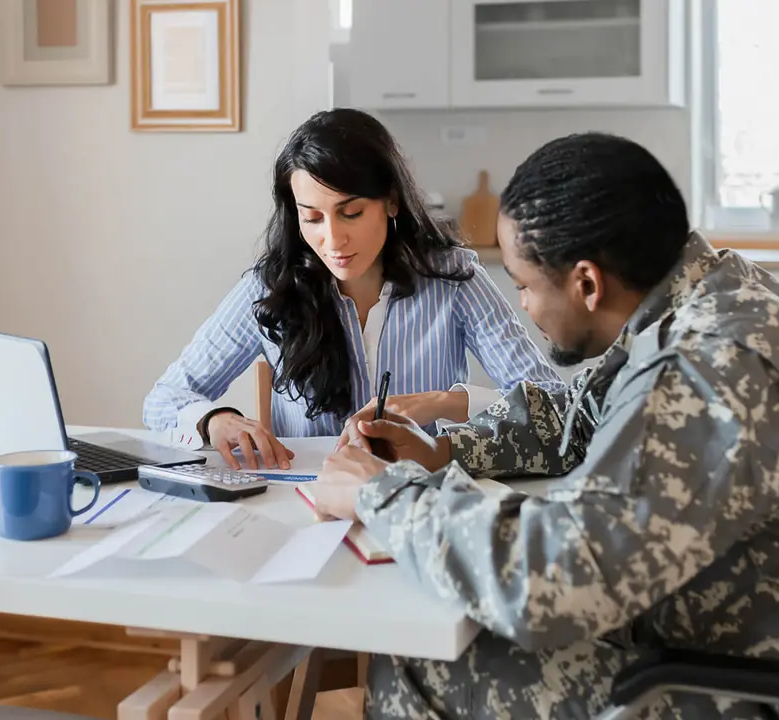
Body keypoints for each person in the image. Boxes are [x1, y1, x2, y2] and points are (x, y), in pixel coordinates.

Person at [311, 132, 779, 718]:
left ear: (587, 283)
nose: (524, 306)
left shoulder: (707, 373)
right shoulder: (710, 292)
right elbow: (579, 415)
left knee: (426, 669)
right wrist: (442, 451)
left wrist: (379, 494)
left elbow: (552, 583)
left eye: (526, 285)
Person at [143, 108, 563, 470]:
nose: (333, 240)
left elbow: (552, 404)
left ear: (392, 202)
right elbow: (164, 400)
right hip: (309, 505)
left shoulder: (453, 278)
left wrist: (438, 403)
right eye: (313, 218)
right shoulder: (270, 286)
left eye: (352, 213)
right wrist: (215, 418)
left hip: (423, 496)